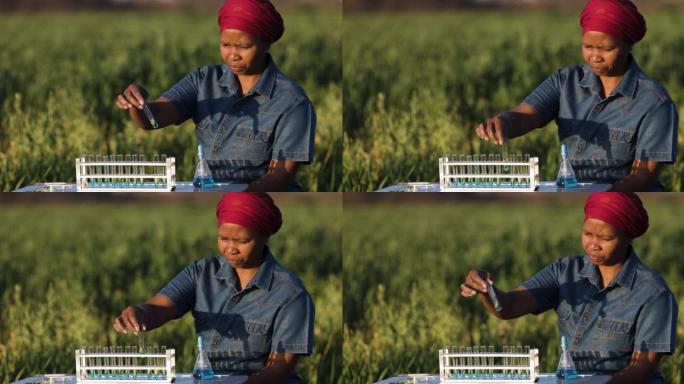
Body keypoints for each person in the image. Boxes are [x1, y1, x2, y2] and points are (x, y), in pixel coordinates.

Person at [460, 193, 677, 383]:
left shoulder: (653, 294)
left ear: (628, 237)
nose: (592, 244)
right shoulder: (564, 271)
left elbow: (641, 369)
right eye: (587, 234)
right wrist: (486, 289)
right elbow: (508, 306)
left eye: (605, 238)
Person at [475, 0, 678, 191]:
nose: (595, 56)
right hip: (572, 192)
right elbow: (524, 116)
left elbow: (643, 176)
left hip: (624, 195)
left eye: (606, 48)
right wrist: (503, 123)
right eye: (588, 47)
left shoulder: (654, 102)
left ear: (628, 45)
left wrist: (598, 194)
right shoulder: (565, 81)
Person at [115, 0, 316, 192]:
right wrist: (138, 105)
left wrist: (231, 194)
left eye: (244, 47)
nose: (232, 55)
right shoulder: (204, 80)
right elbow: (153, 121)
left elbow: (278, 179)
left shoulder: (292, 102)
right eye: (225, 45)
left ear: (266, 43)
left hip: (256, 195)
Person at [114, 193, 315, 384]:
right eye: (223, 239)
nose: (230, 248)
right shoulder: (201, 273)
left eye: (242, 241)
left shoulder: (290, 294)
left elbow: (277, 371)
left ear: (265, 236)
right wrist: (139, 313)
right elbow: (160, 307)